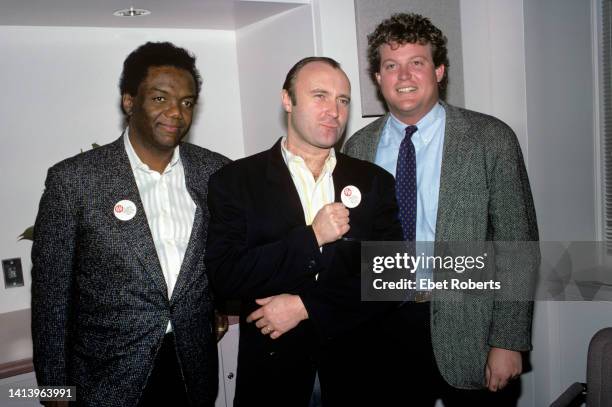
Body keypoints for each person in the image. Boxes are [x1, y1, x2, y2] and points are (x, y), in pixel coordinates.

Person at [343, 13, 539, 406]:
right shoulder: (357, 149)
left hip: (473, 331)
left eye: (417, 62)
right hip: (384, 331)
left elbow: (519, 245)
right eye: (391, 65)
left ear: (439, 70)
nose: (404, 76)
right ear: (378, 77)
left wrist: (508, 341)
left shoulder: (491, 139)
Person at [31, 41, 229, 407]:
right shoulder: (75, 180)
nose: (175, 112)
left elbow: (219, 256)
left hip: (192, 369)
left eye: (186, 102)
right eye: (160, 99)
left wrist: (215, 307)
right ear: (129, 102)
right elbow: (51, 295)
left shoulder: (215, 172)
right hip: (106, 378)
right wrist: (53, 387)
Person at [205, 56, 402, 407]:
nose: (334, 111)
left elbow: (390, 277)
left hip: (358, 370)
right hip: (273, 375)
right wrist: (311, 238)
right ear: (287, 100)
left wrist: (307, 306)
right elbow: (226, 274)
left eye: (343, 100)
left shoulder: (374, 182)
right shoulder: (235, 181)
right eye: (320, 96)